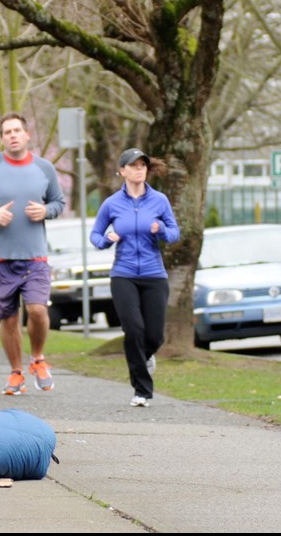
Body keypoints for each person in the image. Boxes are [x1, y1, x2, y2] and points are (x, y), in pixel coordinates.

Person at [0, 113, 66, 395]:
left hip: (35, 256)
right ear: (2, 138)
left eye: (17, 130)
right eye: (7, 131)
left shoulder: (44, 168)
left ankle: (38, 358)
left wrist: (46, 211)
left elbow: (58, 202)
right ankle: (16, 373)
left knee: (37, 310)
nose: (13, 135)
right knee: (8, 319)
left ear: (27, 134)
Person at [90, 147, 179, 408]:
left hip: (154, 274)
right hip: (124, 275)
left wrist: (161, 228)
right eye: (134, 165)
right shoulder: (112, 204)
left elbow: (174, 233)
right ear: (122, 171)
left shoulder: (159, 201)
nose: (139, 169)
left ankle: (145, 356)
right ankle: (142, 391)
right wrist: (107, 239)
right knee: (133, 330)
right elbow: (95, 236)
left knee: (154, 336)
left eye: (143, 165)